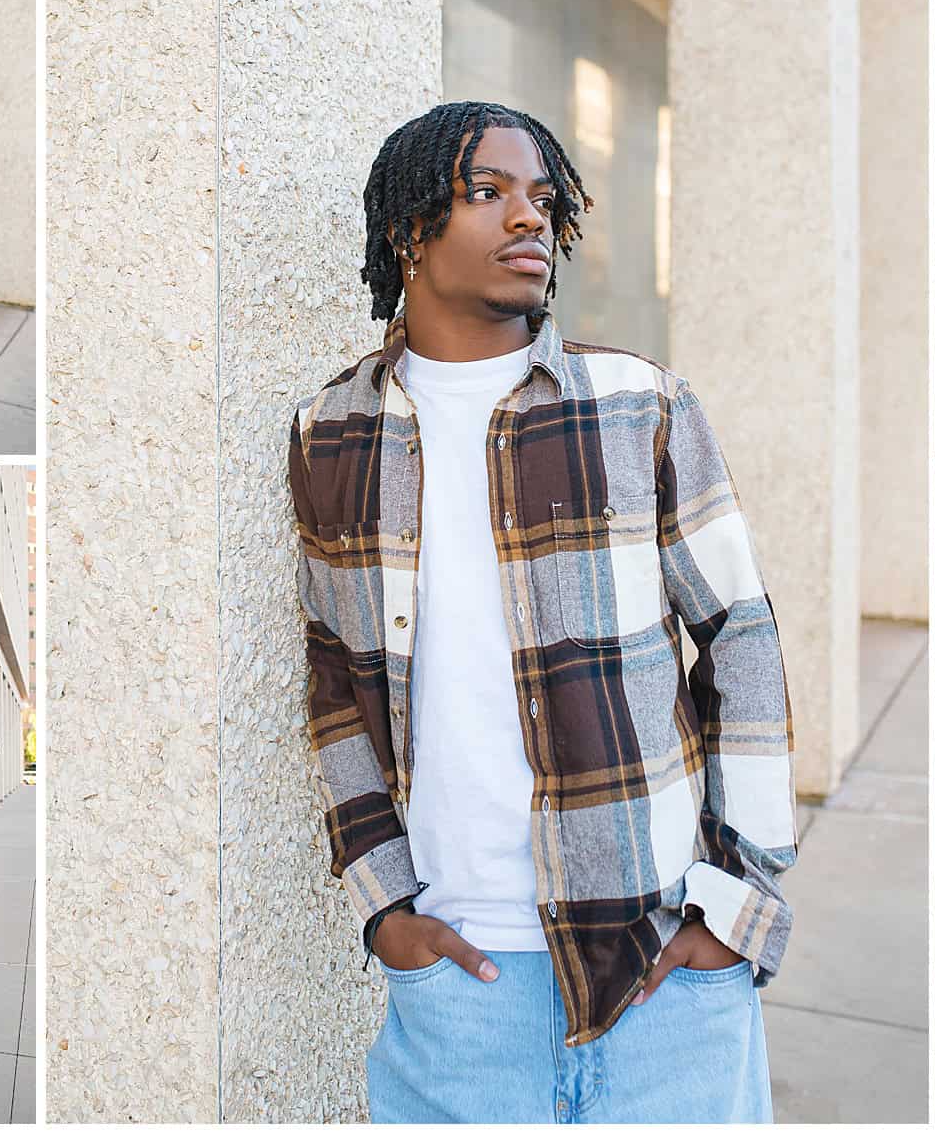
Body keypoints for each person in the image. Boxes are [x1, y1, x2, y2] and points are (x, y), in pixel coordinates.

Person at [288, 101, 797, 1122]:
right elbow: (337, 682)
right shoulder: (330, 430)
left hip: (662, 976)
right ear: (408, 231)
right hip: (460, 998)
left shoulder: (639, 402)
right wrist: (385, 906)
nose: (529, 217)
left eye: (543, 196)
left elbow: (741, 637)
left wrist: (738, 904)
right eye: (487, 192)